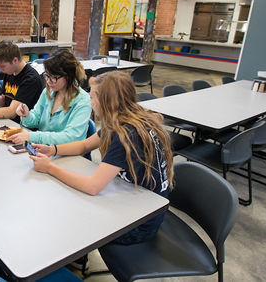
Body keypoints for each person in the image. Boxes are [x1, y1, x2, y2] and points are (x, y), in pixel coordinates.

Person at [29, 71, 174, 267]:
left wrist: (51, 168)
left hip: (140, 223)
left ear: (106, 102)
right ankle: (76, 256)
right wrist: (52, 150)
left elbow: (93, 186)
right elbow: (84, 145)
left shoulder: (127, 134)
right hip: (135, 201)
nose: (90, 102)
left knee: (67, 214)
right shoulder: (124, 118)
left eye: (92, 97)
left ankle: (70, 257)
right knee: (71, 200)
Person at [10, 49, 92, 145]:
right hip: (45, 149)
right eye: (47, 76)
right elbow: (35, 119)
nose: (48, 81)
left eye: (53, 77)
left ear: (69, 76)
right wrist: (27, 115)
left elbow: (71, 137)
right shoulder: (48, 92)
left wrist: (33, 136)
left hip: (68, 154)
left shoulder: (82, 100)